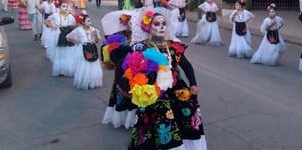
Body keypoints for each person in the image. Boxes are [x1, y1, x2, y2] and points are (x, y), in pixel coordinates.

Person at [116, 8, 207, 149]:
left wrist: (193, 84)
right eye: (157, 24)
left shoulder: (174, 47)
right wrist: (124, 87)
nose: (161, 27)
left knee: (185, 116)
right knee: (159, 123)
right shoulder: (141, 47)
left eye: (164, 24)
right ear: (149, 27)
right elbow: (123, 67)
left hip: (177, 89)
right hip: (154, 91)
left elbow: (186, 66)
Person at [66, 13, 103, 90]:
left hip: (92, 49)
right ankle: (84, 81)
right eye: (88, 21)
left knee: (93, 65)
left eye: (90, 20)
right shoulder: (78, 30)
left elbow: (97, 41)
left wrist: (95, 35)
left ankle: (92, 81)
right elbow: (68, 37)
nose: (90, 22)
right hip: (83, 49)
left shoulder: (93, 30)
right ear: (83, 22)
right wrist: (76, 42)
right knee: (84, 65)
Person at [44, 0, 77, 76]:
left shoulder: (70, 16)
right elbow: (46, 21)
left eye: (66, 6)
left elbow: (74, 25)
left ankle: (69, 69)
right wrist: (53, 27)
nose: (65, 8)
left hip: (68, 34)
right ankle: (61, 70)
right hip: (59, 35)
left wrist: (77, 24)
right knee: (61, 52)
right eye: (63, 6)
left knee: (70, 52)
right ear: (59, 7)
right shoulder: (55, 15)